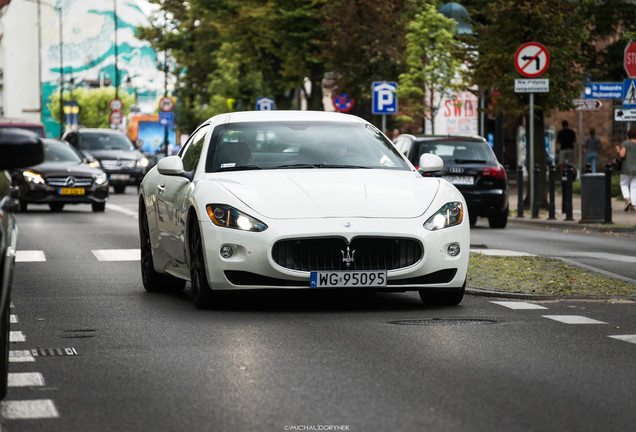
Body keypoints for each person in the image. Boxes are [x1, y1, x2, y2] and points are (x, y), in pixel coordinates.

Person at [616, 127, 636, 212]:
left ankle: (627, 200)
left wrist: (618, 150)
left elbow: (622, 155)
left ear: (628, 135)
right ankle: (633, 205)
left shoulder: (625, 143)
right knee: (634, 186)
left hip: (626, 168)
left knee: (624, 184)